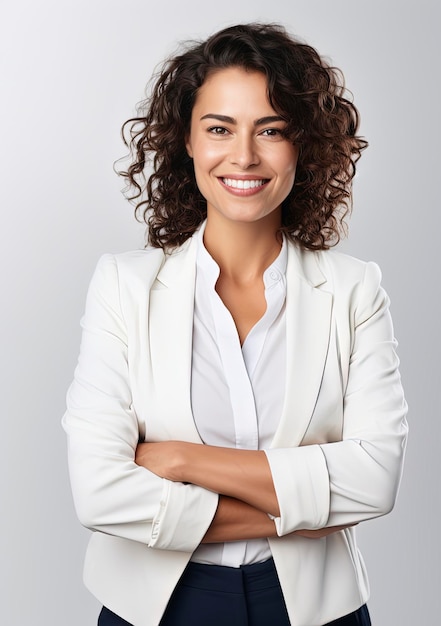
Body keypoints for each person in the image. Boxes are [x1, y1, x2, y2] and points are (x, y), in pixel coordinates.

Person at [63, 23, 408, 626]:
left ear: (304, 145)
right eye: (219, 128)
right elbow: (99, 492)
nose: (244, 156)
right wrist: (310, 505)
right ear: (187, 143)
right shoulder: (123, 287)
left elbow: (376, 479)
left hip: (311, 607)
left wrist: (182, 462)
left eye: (270, 130)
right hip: (160, 606)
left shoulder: (355, 291)